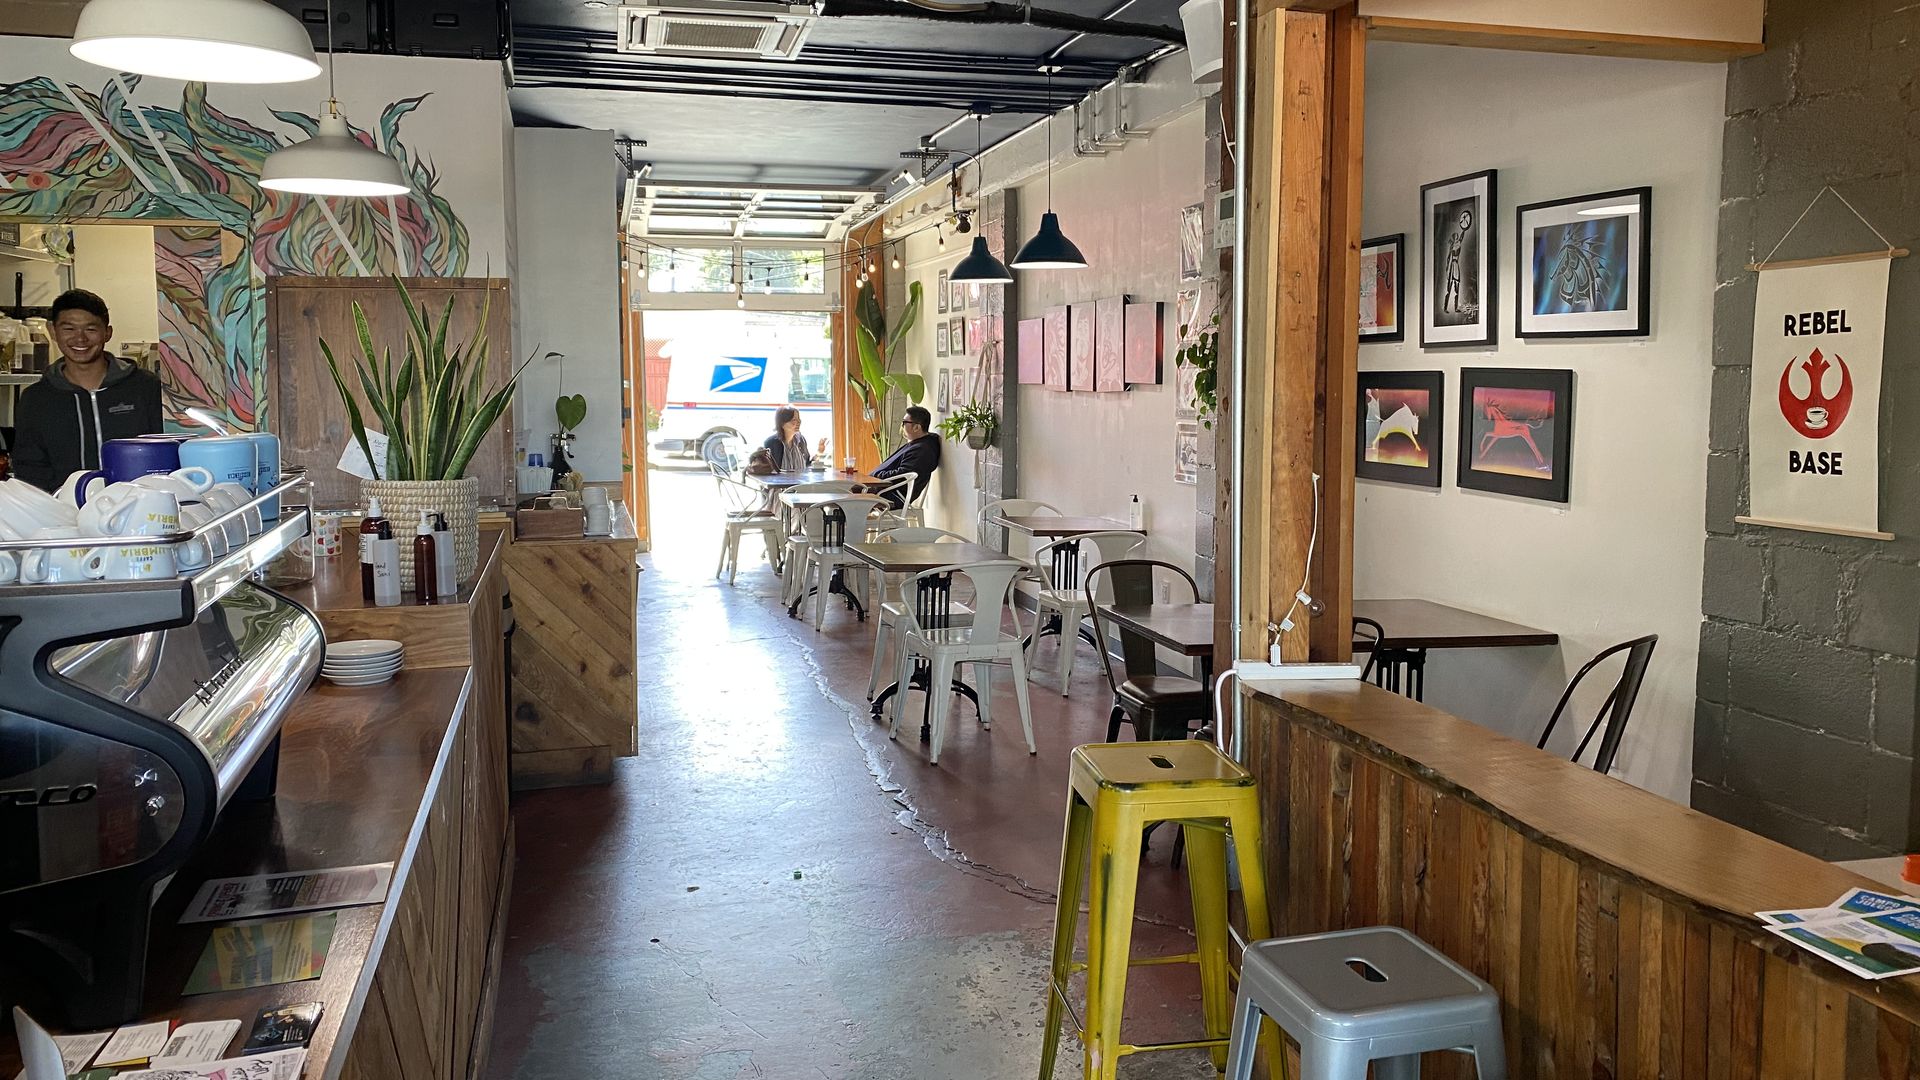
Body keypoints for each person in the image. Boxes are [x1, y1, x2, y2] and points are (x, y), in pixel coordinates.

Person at [11, 289, 164, 492]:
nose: (80, 339)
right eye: (69, 329)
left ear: (107, 333)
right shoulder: (36, 398)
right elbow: (29, 468)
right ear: (53, 331)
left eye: (91, 329)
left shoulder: (146, 387)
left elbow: (165, 449)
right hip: (64, 514)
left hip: (141, 509)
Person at [869, 406, 941, 507]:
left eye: (904, 422)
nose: (902, 426)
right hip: (884, 490)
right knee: (849, 493)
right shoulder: (917, 444)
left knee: (850, 499)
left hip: (893, 495)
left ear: (917, 427)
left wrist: (877, 476)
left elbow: (903, 475)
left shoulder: (922, 450)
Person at [761, 406, 811, 472]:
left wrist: (819, 453)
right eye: (794, 420)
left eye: (799, 419)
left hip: (801, 481)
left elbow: (807, 464)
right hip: (780, 482)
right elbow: (769, 470)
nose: (798, 422)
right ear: (782, 423)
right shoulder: (771, 443)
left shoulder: (801, 440)